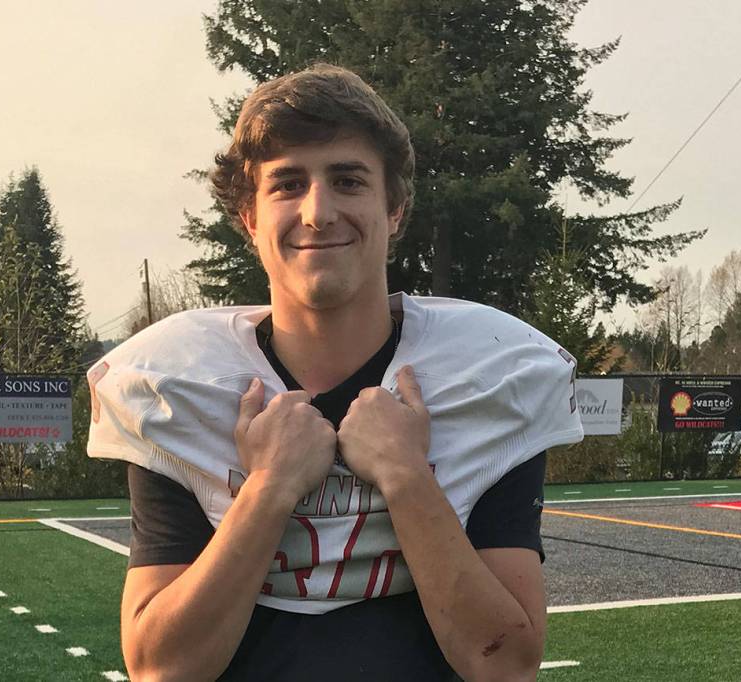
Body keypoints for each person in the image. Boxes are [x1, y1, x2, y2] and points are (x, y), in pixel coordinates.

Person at [87, 64, 582, 681]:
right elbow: (163, 669)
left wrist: (406, 477)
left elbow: (505, 666)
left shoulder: (491, 370)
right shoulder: (179, 380)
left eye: (348, 180)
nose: (318, 212)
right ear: (250, 218)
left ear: (394, 208)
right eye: (287, 184)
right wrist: (268, 489)